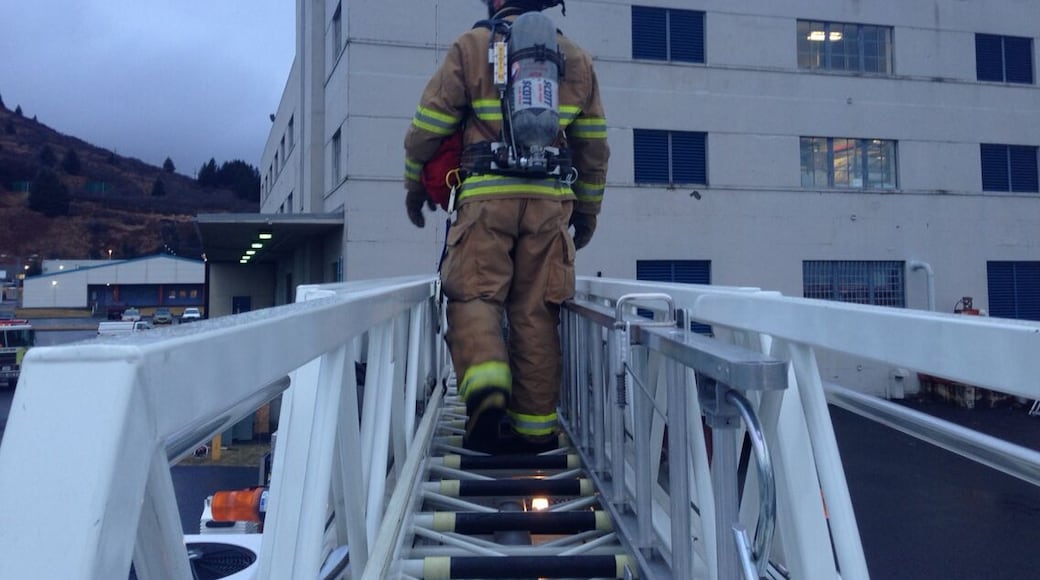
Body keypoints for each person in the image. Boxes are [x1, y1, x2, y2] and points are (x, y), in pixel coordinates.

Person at [403, 0, 609, 453]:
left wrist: (414, 185)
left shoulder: (472, 47)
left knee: (475, 294)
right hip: (549, 203)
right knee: (536, 312)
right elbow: (593, 149)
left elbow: (428, 126)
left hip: (485, 201)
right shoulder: (575, 60)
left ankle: (486, 387)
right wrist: (587, 215)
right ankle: (534, 432)